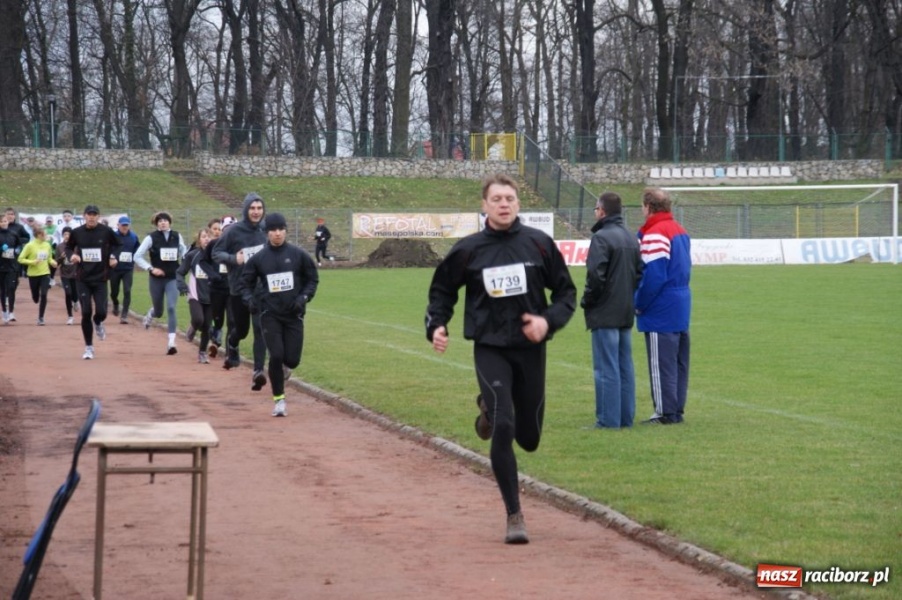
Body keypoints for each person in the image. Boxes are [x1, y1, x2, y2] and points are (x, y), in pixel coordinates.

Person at [425, 173, 576, 544]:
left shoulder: (539, 244)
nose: (504, 204)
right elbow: (442, 290)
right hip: (490, 347)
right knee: (505, 425)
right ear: (485, 205)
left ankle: (488, 410)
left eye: (509, 198)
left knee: (529, 439)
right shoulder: (469, 249)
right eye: (496, 199)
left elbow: (567, 293)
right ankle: (514, 515)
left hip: (530, 351)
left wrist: (546, 321)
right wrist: (436, 326)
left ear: (518, 204)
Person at [238, 212, 319, 416]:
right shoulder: (259, 259)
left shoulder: (298, 255)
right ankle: (279, 401)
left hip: (293, 314)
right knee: (276, 355)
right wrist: (249, 300)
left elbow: (312, 279)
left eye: (280, 229)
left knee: (292, 360)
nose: (277, 233)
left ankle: (284, 370)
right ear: (267, 233)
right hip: (269, 313)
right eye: (273, 230)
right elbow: (244, 283)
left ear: (286, 231)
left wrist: (303, 298)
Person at [581, 192, 644, 429]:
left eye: (596, 209)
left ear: (602, 211)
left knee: (605, 367)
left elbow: (595, 277)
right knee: (624, 365)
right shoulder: (630, 237)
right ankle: (625, 417)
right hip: (625, 309)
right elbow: (639, 274)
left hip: (605, 311)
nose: (595, 213)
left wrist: (588, 300)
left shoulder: (601, 238)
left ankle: (608, 420)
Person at [634, 187, 692, 425]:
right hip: (680, 301)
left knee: (661, 363)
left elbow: (654, 275)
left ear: (648, 207)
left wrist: (639, 303)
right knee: (678, 362)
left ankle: (664, 412)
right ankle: (676, 409)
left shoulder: (656, 233)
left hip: (661, 306)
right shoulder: (680, 230)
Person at [212, 194, 268, 391]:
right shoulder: (233, 231)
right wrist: (234, 259)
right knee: (242, 330)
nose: (256, 212)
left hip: (262, 288)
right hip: (239, 287)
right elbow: (216, 253)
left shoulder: (266, 229)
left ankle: (258, 372)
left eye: (259, 208)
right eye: (252, 208)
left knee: (260, 329)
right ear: (246, 209)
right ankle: (233, 343)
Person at [67, 204, 122, 360]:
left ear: (98, 216)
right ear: (84, 216)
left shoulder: (106, 232)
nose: (91, 217)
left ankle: (98, 323)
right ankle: (89, 347)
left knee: (101, 312)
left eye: (94, 214)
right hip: (83, 278)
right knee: (86, 312)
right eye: (89, 214)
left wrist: (113, 256)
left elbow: (118, 245)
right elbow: (69, 247)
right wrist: (72, 255)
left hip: (101, 278)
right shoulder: (77, 232)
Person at [135, 211, 188, 354]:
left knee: (171, 307)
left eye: (165, 220)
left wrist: (184, 265)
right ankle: (151, 313)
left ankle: (171, 342)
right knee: (159, 311)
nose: (163, 222)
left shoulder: (177, 236)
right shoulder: (151, 238)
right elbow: (137, 256)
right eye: (160, 221)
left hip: (172, 277)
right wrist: (151, 268)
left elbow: (184, 253)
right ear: (156, 223)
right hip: (156, 279)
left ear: (170, 222)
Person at [177, 227, 221, 363]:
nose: (207, 239)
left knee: (207, 326)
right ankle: (193, 327)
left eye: (209, 236)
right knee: (198, 320)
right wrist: (182, 285)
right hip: (195, 294)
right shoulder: (193, 255)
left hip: (211, 297)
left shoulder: (217, 257)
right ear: (199, 240)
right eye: (203, 236)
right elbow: (180, 272)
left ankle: (202, 353)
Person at [17, 225, 58, 325]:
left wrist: (53, 262)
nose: (46, 236)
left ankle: (41, 318)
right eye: (44, 234)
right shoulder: (30, 245)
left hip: (45, 273)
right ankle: (35, 297)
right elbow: (20, 259)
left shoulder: (47, 245)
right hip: (33, 274)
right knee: (35, 298)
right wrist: (32, 262)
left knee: (44, 294)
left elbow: (49, 258)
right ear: (38, 235)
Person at [205, 217, 229, 356]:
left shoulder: (234, 244)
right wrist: (212, 275)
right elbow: (202, 262)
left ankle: (228, 349)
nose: (218, 232)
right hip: (214, 286)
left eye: (220, 229)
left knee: (232, 320)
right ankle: (214, 338)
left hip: (231, 287)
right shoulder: (210, 244)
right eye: (215, 229)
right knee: (216, 317)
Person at [109, 215, 140, 323]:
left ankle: (124, 315)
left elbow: (137, 250)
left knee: (127, 290)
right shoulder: (113, 236)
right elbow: (107, 249)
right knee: (114, 292)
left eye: (126, 225)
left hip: (128, 268)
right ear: (118, 225)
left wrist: (134, 260)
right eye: (123, 225)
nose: (125, 227)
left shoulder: (133, 237)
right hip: (115, 269)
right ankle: (116, 303)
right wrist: (111, 258)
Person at [0, 214, 24, 324]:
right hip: (1, 267)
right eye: (1, 222)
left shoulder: (13, 234)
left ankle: (11, 312)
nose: (4, 223)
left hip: (12, 266)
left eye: (5, 221)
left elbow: (19, 245)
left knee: (11, 288)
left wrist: (18, 250)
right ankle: (4, 312)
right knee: (2, 290)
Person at [4, 208, 28, 313]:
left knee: (14, 279)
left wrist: (17, 242)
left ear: (15, 216)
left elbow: (27, 237)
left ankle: (10, 295)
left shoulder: (19, 227)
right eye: (8, 214)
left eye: (12, 214)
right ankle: (5, 296)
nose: (10, 216)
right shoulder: (2, 226)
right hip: (2, 258)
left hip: (15, 257)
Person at [55, 226, 79, 325]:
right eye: (65, 234)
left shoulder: (77, 246)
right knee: (68, 293)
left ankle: (76, 301)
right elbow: (56, 262)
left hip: (76, 273)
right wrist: (61, 258)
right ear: (62, 235)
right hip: (65, 274)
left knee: (75, 293)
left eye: (69, 234)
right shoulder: (59, 247)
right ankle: (70, 316)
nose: (67, 236)